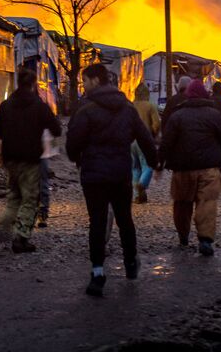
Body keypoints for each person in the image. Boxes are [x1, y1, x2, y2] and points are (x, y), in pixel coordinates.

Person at [66, 64, 157, 297]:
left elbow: (73, 144)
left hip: (94, 176)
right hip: (120, 174)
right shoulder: (127, 108)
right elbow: (145, 138)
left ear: (96, 80)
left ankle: (97, 274)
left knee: (97, 222)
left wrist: (77, 157)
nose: (83, 86)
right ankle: (130, 262)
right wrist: (155, 162)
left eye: (85, 81)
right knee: (125, 219)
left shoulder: (86, 110)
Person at [0, 68, 62, 253]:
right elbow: (56, 129)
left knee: (14, 194)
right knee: (29, 198)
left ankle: (6, 220)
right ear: (33, 84)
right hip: (31, 159)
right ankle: (21, 236)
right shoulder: (39, 106)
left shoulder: (5, 105)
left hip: (10, 158)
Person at [160, 80, 221, 256]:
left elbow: (167, 142)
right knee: (207, 203)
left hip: (183, 169)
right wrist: (219, 160)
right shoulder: (214, 115)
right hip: (209, 167)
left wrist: (160, 161)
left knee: (182, 204)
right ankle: (205, 239)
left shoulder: (177, 115)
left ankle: (183, 236)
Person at [131, 83, 160, 203]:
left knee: (135, 167)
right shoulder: (150, 106)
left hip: (131, 140)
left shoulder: (130, 106)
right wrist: (154, 133)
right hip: (145, 139)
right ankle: (142, 184)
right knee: (148, 165)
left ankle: (137, 195)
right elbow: (156, 124)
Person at [37, 128, 57, 228]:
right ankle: (42, 213)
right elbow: (56, 129)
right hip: (40, 151)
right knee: (43, 182)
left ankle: (41, 213)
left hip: (34, 149)